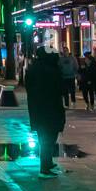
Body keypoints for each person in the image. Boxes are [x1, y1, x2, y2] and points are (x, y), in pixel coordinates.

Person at [25, 48, 66, 178]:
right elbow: (61, 88)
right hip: (51, 108)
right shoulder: (52, 70)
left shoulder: (33, 68)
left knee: (44, 137)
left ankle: (47, 162)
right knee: (49, 137)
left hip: (37, 108)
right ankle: (45, 166)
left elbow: (28, 86)